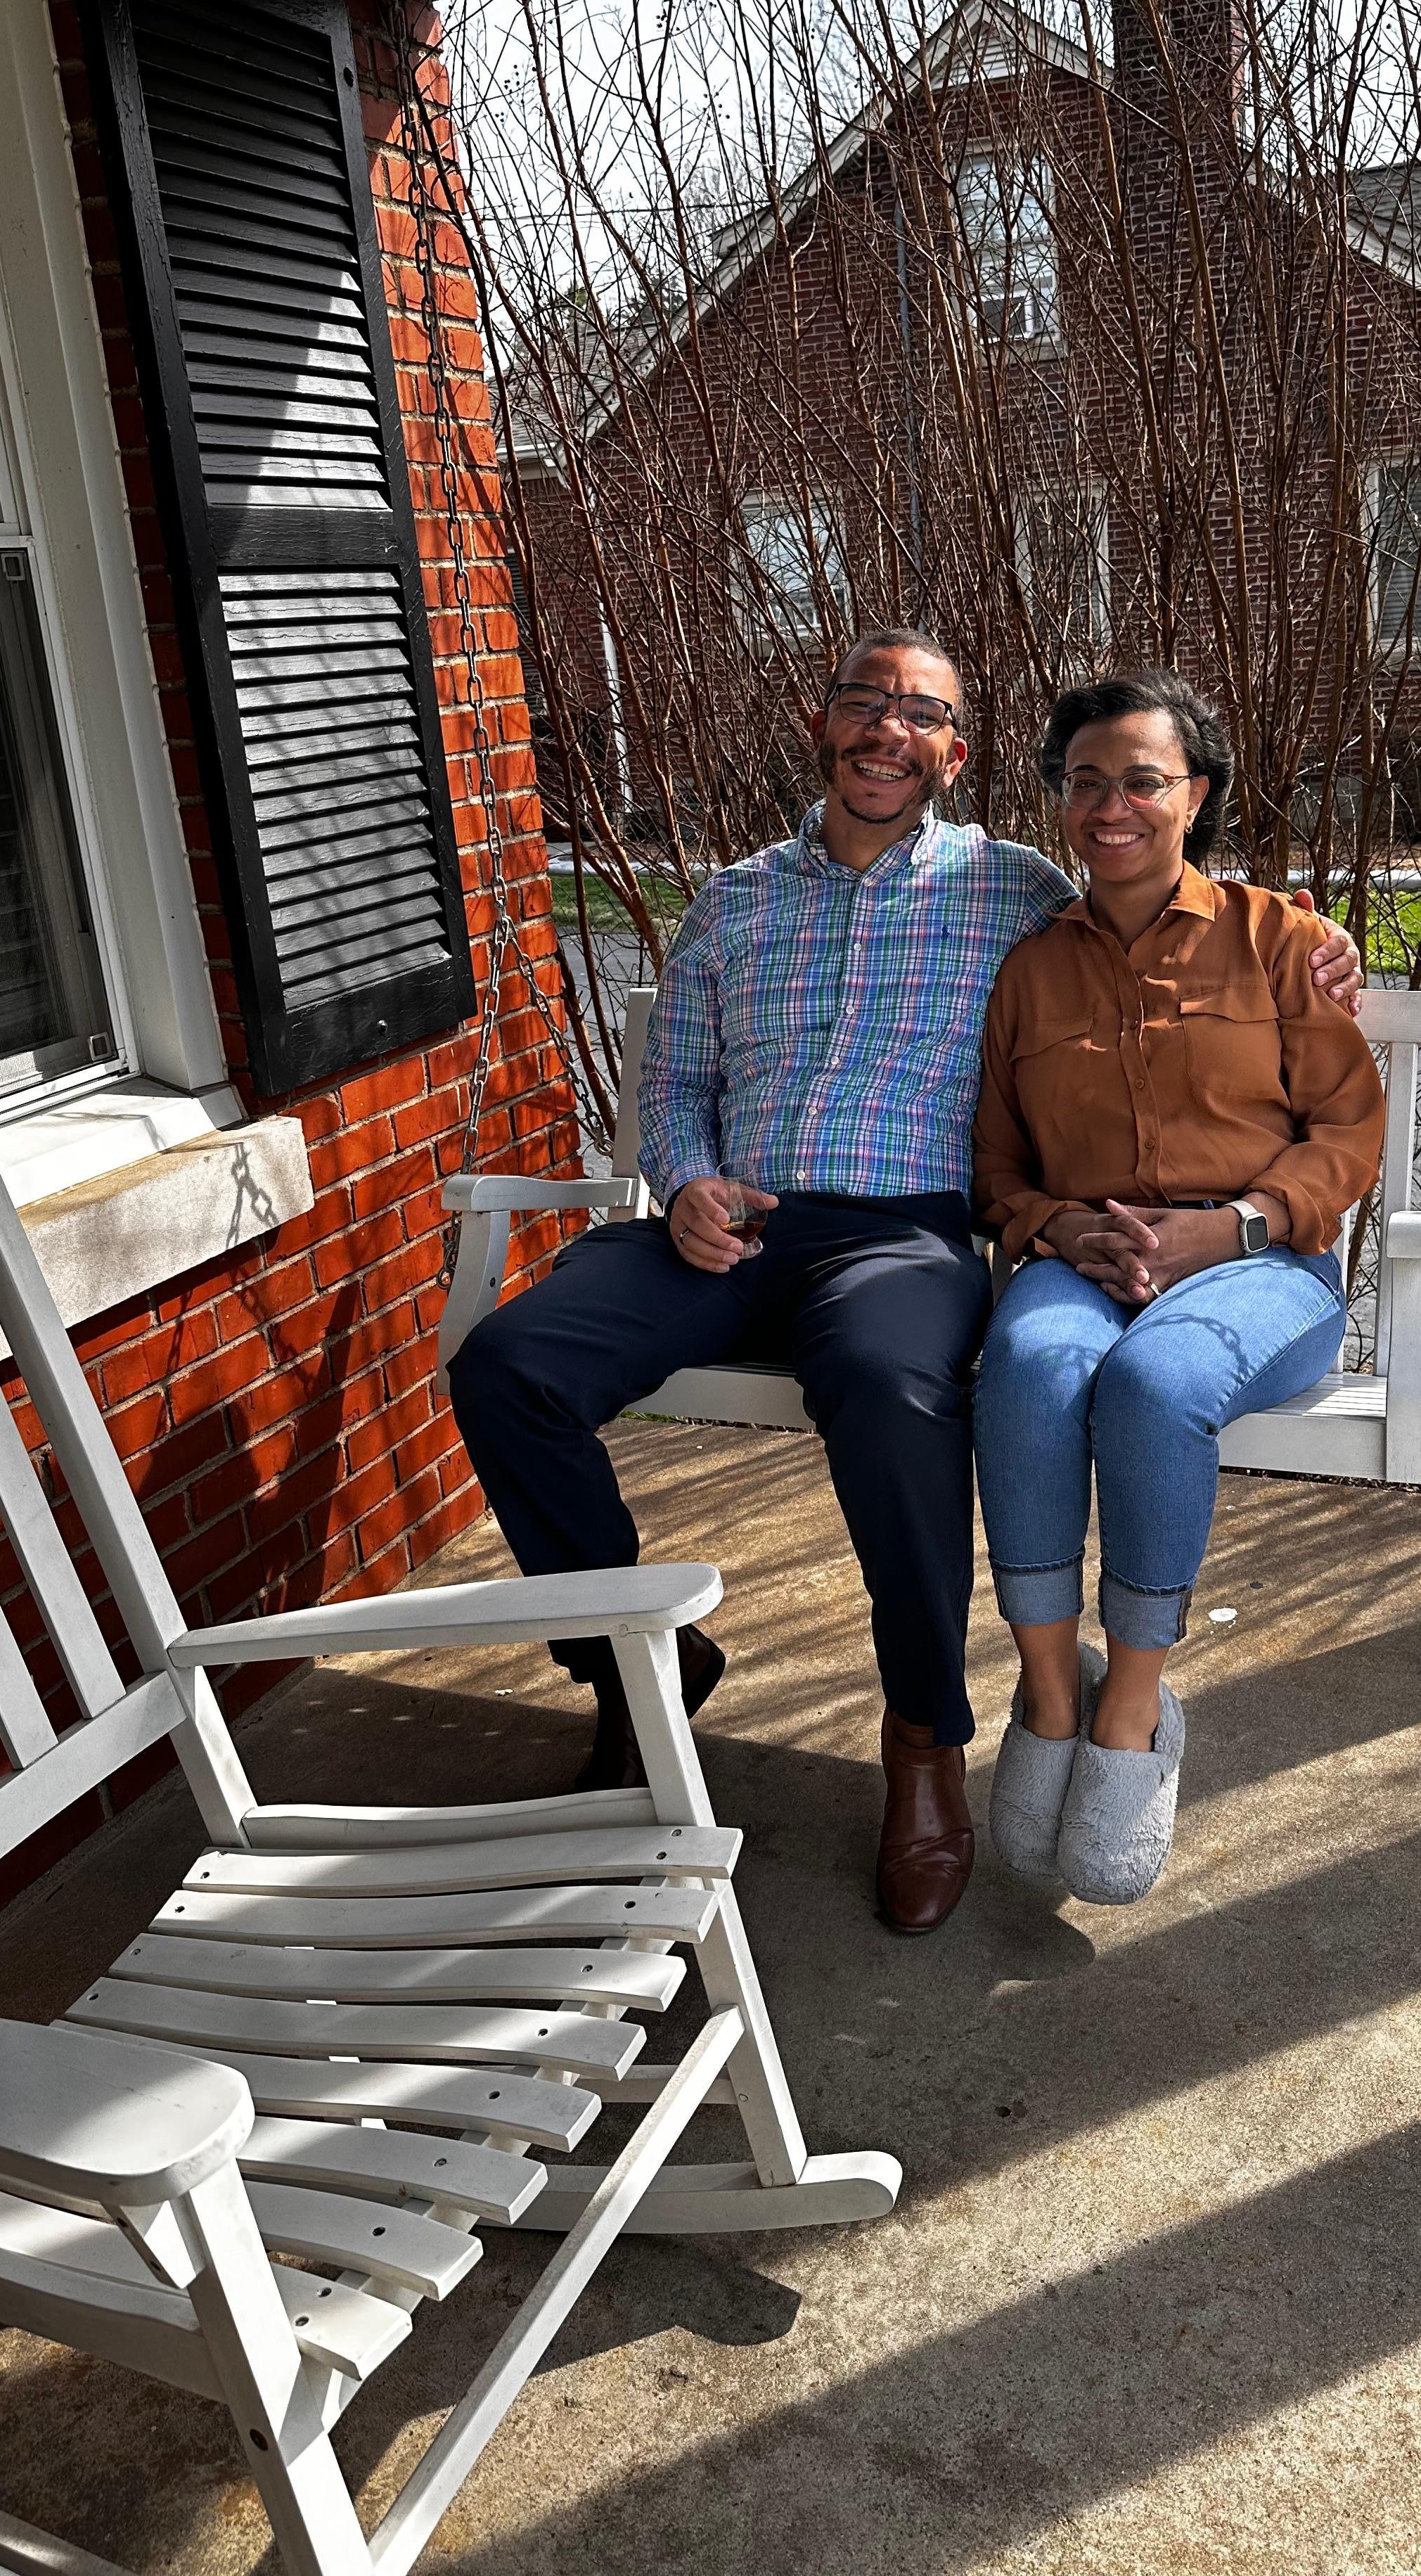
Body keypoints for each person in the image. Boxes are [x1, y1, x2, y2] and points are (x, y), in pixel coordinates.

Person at [446, 629, 1363, 1936]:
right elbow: (678, 1082)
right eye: (864, 705)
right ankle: (634, 1673)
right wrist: (690, 1178)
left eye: (921, 713)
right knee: (505, 1365)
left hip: (898, 1237)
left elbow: (1155, 898)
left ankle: (925, 1744)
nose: (888, 730)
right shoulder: (735, 899)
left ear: (956, 753)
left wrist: (1316, 941)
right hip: (728, 1224)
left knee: (892, 1392)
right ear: (824, 727)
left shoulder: (1013, 889)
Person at [971, 670, 1387, 1908]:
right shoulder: (1030, 973)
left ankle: (1134, 1712)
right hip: (1085, 1261)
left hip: (1264, 1269)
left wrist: (1233, 1226)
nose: (1113, 805)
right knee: (1033, 1364)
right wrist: (1056, 1231)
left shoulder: (1286, 942)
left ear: (1192, 795)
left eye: (1142, 780)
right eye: (1086, 781)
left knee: (1158, 1381)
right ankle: (1051, 1692)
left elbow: (1347, 1135)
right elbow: (996, 1164)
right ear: (1061, 804)